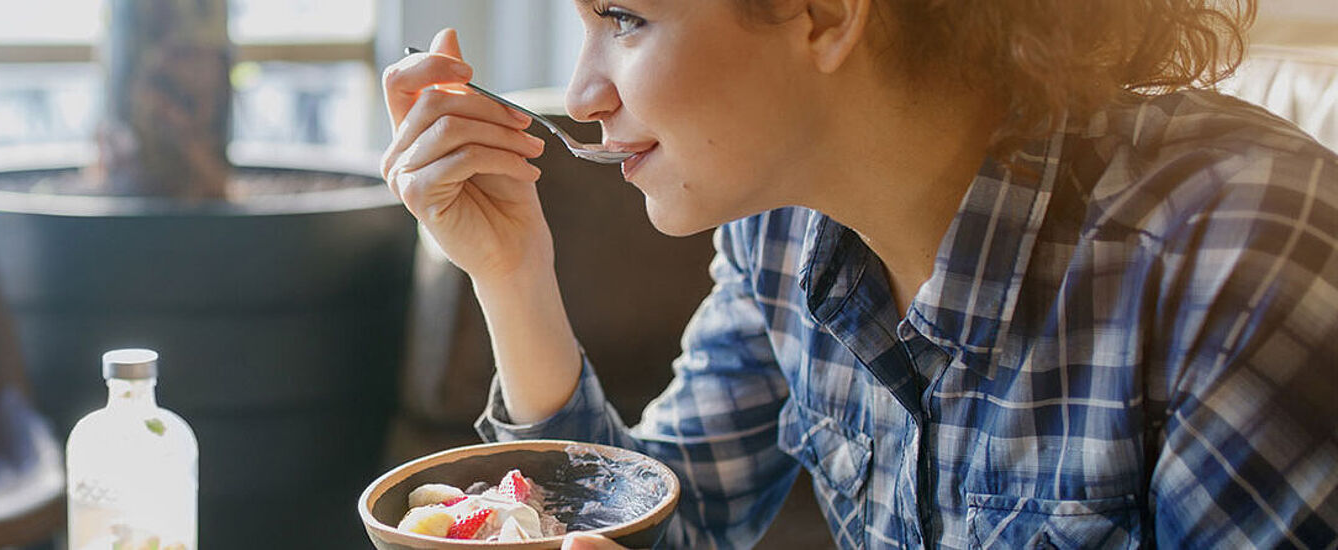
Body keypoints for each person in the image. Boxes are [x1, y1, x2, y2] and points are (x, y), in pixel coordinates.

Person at [380, 0, 1338, 547]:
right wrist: (512, 272)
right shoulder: (783, 235)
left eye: (624, 16)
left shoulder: (1235, 257)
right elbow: (674, 525)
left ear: (829, 13)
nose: (584, 93)